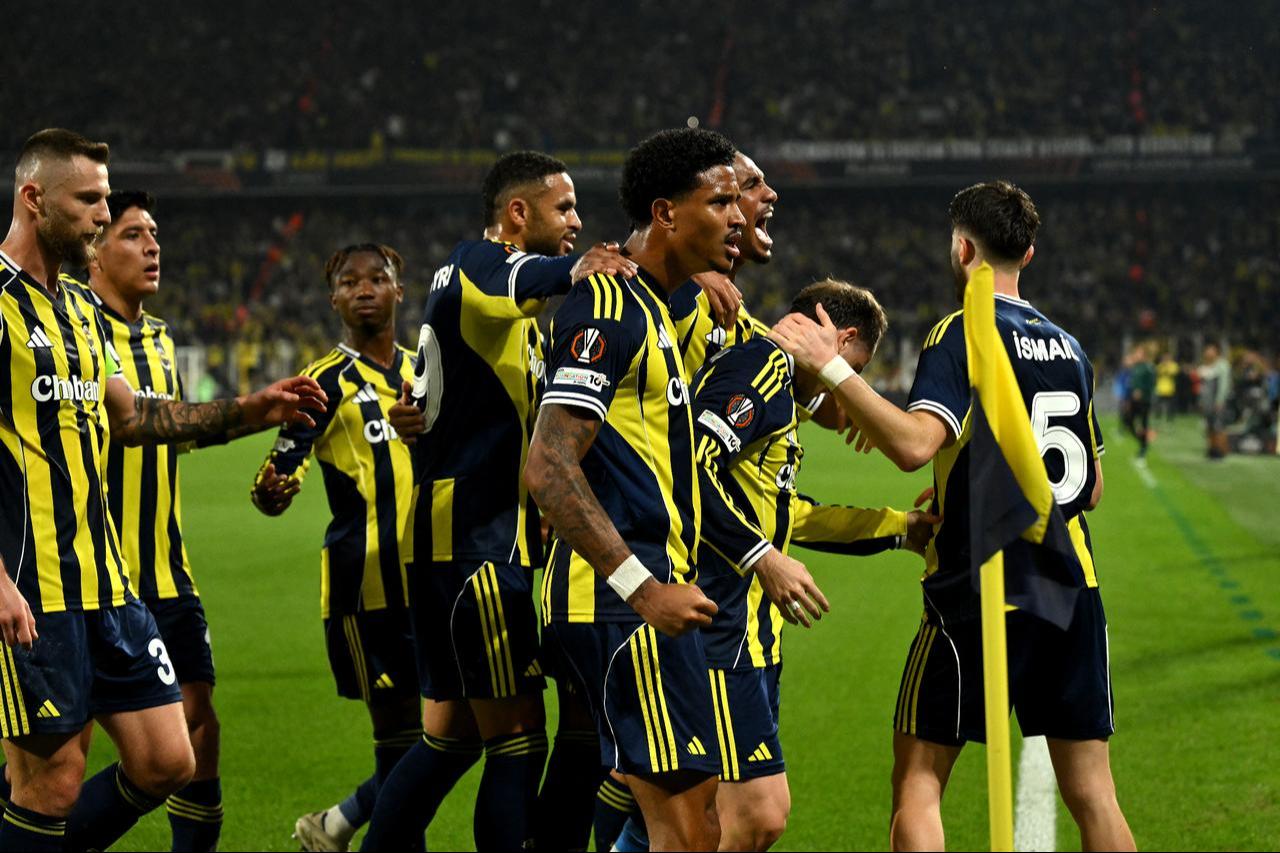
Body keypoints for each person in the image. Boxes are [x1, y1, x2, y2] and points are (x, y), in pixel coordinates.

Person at [769, 180, 1135, 852]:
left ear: (961, 247)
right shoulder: (1072, 348)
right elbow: (1093, 487)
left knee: (919, 781)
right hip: (1072, 587)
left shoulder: (961, 330)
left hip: (981, 587)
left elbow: (912, 446)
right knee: (1094, 794)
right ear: (1027, 250)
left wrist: (833, 372)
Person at [0, 129, 324, 852]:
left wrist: (252, 410)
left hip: (112, 587)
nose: (98, 213)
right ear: (33, 199)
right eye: (88, 200)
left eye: (104, 199)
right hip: (34, 588)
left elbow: (137, 416)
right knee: (50, 781)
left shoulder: (81, 312)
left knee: (168, 759)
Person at [524, 127, 826, 852]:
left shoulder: (661, 309)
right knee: (687, 834)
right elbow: (548, 464)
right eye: (720, 200)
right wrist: (641, 588)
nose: (738, 215)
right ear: (665, 213)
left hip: (657, 597)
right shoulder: (609, 304)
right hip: (623, 604)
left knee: (698, 824)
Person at [359, 151, 636, 851]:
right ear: (518, 212)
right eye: (564, 207)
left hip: (458, 540)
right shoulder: (477, 263)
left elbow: (426, 404)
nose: (577, 221)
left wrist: (416, 413)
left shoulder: (501, 311)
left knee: (451, 737)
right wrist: (583, 268)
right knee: (516, 740)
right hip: (476, 545)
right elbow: (520, 278)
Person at [690, 278, 938, 851]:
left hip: (750, 631)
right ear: (843, 338)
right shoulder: (760, 372)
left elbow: (785, 515)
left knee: (694, 811)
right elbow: (690, 470)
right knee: (758, 813)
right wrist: (761, 557)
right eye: (857, 366)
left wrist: (900, 529)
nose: (850, 388)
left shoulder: (782, 389)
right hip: (720, 625)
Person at [66, 190, 228, 851]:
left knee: (199, 728)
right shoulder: (78, 328)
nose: (153, 244)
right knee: (63, 749)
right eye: (133, 234)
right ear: (95, 254)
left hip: (169, 568)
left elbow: (170, 427)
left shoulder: (160, 339)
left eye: (155, 232)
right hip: (99, 574)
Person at [250, 244, 422, 852]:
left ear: (400, 290)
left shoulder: (420, 373)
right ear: (334, 300)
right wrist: (273, 490)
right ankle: (352, 828)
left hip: (433, 577)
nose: (365, 289)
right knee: (404, 741)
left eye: (378, 279)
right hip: (365, 587)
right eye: (350, 281)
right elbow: (278, 474)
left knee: (454, 734)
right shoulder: (322, 382)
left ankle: (338, 822)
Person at [1199, 342, 1231, 459]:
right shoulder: (1206, 366)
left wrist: (1220, 400)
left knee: (1218, 427)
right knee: (1209, 427)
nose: (1207, 353)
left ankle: (1220, 450)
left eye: (1210, 350)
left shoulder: (1222, 365)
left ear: (1216, 352)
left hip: (1217, 403)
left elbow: (1223, 385)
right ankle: (1211, 449)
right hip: (1207, 403)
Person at [1127, 344, 1155, 459]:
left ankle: (1143, 449)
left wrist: (1142, 391)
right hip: (1134, 400)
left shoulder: (1148, 367)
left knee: (1143, 424)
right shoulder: (1136, 367)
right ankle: (1143, 440)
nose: (1135, 355)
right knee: (1128, 421)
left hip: (1144, 400)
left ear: (1143, 355)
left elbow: (1152, 384)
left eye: (1138, 353)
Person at [1154, 350, 1179, 421]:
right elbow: (1157, 373)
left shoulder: (1174, 365)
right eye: (1164, 358)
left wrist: (1166, 368)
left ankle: (1170, 418)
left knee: (1170, 405)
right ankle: (1158, 416)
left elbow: (1173, 373)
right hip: (1160, 388)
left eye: (1167, 358)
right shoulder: (1159, 366)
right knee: (1158, 404)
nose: (1166, 359)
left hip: (1170, 388)